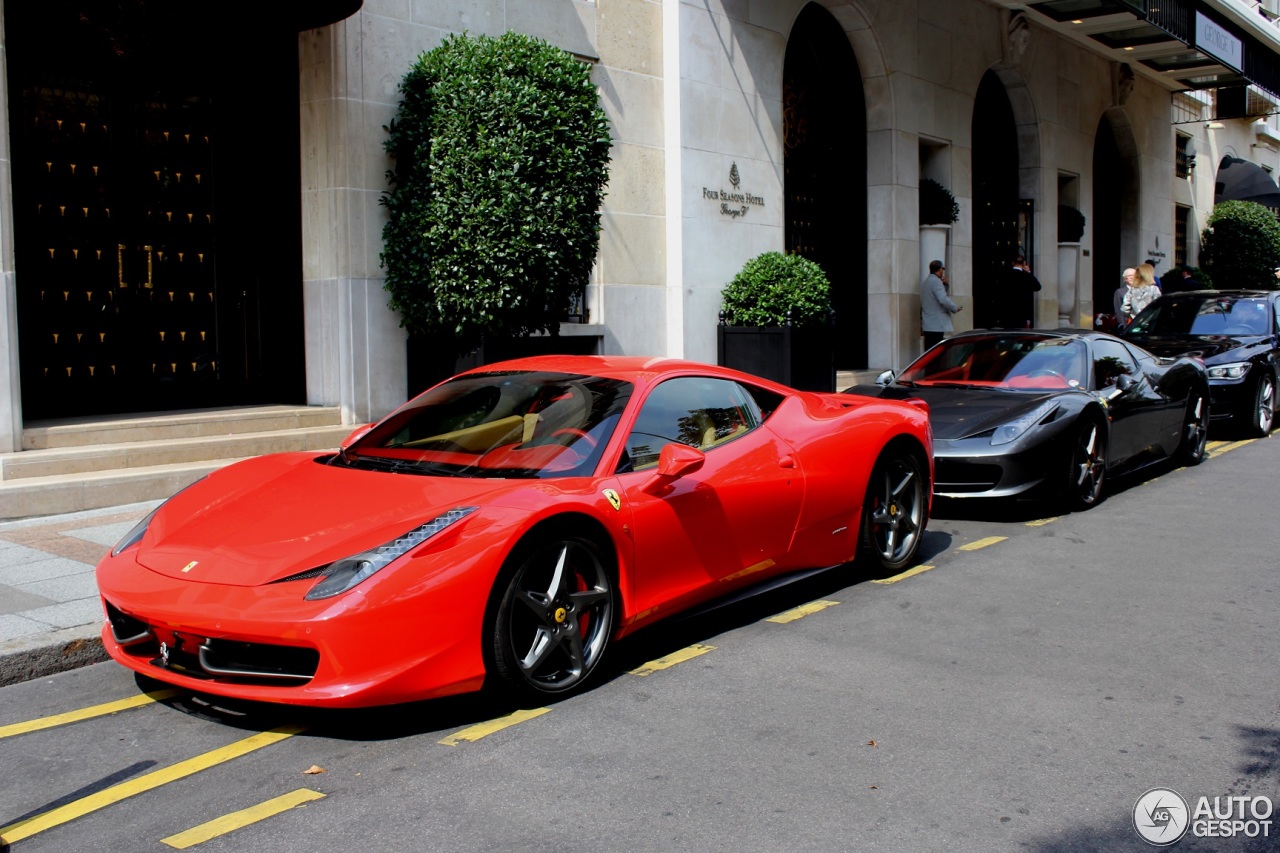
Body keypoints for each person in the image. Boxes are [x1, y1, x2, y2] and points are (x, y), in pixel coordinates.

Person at [992, 254, 1042, 328]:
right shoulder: (1026, 276)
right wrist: (1029, 273)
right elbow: (1038, 287)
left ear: (1013, 263)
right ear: (1024, 263)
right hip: (1021, 314)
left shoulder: (1004, 275)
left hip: (1006, 313)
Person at [921, 259, 961, 349]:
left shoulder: (926, 282)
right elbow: (942, 299)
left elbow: (935, 296)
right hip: (937, 325)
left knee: (929, 351)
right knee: (937, 352)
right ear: (940, 270)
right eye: (943, 269)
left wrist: (945, 286)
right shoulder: (936, 282)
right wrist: (954, 307)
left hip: (928, 324)